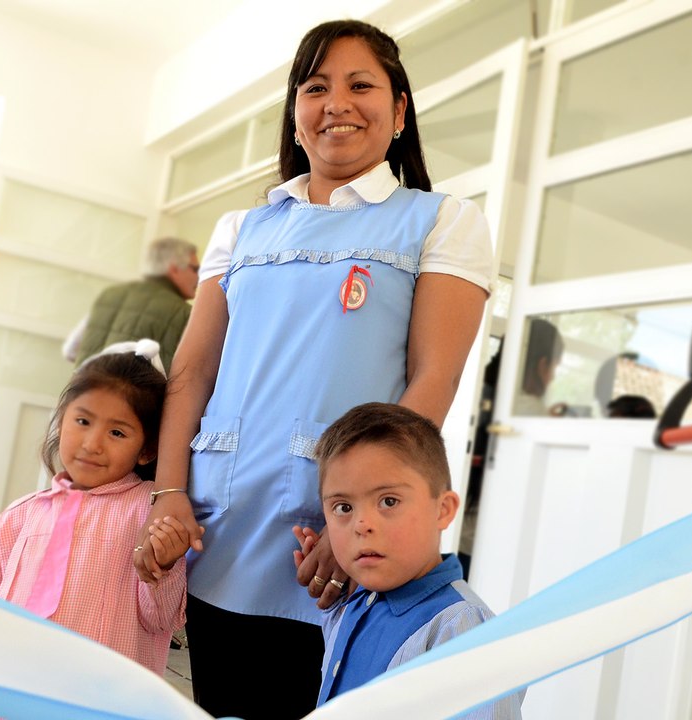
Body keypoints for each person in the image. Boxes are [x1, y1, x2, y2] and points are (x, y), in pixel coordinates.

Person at [133, 19, 492, 718]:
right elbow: (192, 374)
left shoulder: (442, 221)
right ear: (295, 113)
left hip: (335, 549)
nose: (337, 104)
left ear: (399, 110)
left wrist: (356, 521)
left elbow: (433, 380)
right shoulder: (241, 229)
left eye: (361, 85)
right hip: (218, 528)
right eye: (316, 87)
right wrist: (167, 492)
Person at [0, 340, 187, 720]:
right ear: (62, 420)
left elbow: (161, 620)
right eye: (82, 421)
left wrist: (163, 566)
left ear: (147, 450)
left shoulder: (149, 511)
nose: (92, 444)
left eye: (117, 433)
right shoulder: (20, 516)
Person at [298, 402, 524, 716]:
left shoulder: (464, 629)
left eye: (389, 501)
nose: (362, 525)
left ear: (443, 510)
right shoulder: (355, 603)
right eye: (343, 508)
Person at [69, 237, 200, 373]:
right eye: (195, 269)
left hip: (80, 385)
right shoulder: (185, 313)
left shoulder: (110, 294)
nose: (199, 276)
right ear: (174, 269)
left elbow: (70, 351)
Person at [516, 318, 562, 417]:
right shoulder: (532, 408)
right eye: (554, 367)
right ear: (543, 365)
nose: (553, 377)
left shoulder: (508, 399)